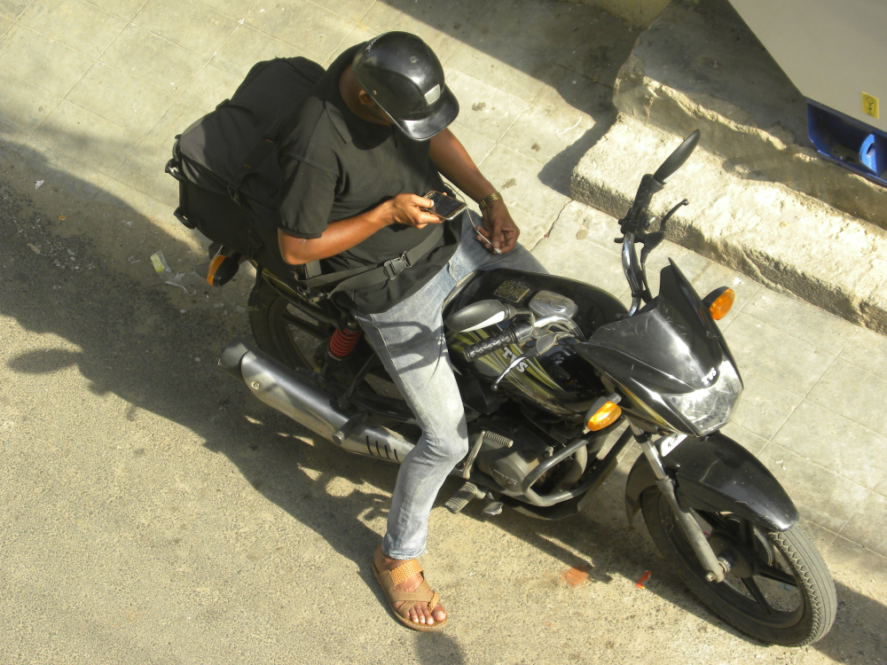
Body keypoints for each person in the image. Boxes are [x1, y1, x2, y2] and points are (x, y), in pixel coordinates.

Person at [275, 32, 544, 631]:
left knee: (551, 313)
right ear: (368, 99)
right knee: (445, 440)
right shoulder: (316, 142)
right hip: (390, 288)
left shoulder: (380, 68)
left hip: (454, 239)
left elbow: (435, 135)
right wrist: (384, 216)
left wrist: (490, 199)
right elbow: (294, 248)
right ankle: (396, 555)